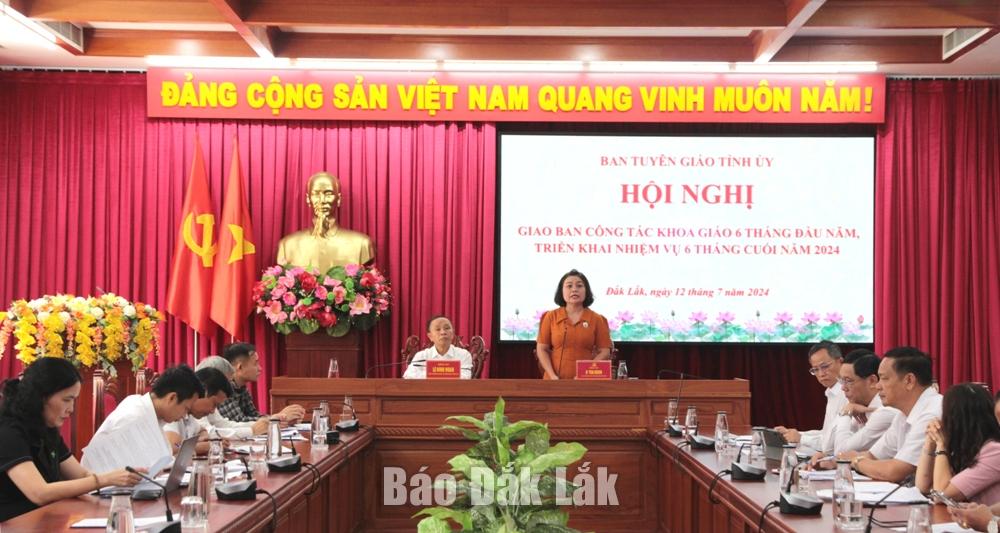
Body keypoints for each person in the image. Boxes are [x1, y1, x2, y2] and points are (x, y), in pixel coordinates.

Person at [0, 358, 142, 522]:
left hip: (46, 519)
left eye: (74, 400)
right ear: (41, 397)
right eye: (67, 400)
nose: (71, 409)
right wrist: (105, 480)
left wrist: (122, 481)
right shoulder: (8, 432)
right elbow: (39, 493)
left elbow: (81, 475)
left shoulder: (47, 428)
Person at [840, 347, 943, 482]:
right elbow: (873, 455)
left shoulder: (931, 413)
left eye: (884, 379)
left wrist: (855, 460)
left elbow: (895, 471)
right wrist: (836, 460)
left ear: (909, 381)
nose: (878, 386)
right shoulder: (902, 414)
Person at [81, 365, 204, 471]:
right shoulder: (133, 416)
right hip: (101, 488)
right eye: (186, 409)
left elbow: (157, 460)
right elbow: (136, 469)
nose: (184, 416)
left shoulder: (151, 412)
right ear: (172, 398)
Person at [915, 383, 1000, 504]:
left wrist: (941, 446)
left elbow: (941, 496)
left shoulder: (995, 451)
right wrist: (930, 441)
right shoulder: (966, 446)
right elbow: (923, 487)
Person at [276, 171, 375, 272]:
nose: (322, 200)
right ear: (308, 199)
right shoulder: (287, 245)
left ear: (338, 199)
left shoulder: (362, 244)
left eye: (328, 194)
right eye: (316, 194)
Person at [535, 269, 612, 380]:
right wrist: (552, 376)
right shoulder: (551, 316)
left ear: (586, 291)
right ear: (561, 291)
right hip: (553, 382)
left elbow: (604, 351)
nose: (574, 289)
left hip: (585, 382)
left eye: (579, 286)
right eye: (569, 286)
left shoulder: (597, 319)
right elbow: (542, 349)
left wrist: (585, 373)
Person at [774, 340, 846, 454]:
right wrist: (792, 434)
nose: (821, 374)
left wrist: (801, 438)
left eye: (825, 366)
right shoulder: (832, 392)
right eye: (815, 369)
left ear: (840, 362)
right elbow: (826, 433)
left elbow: (832, 444)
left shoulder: (847, 392)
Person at [830, 352, 899, 455]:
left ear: (872, 381)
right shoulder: (858, 406)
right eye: (841, 381)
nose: (843, 388)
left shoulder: (885, 411)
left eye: (848, 381)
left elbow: (840, 452)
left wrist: (845, 413)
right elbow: (828, 447)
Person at [217, 343, 305, 423]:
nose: (260, 368)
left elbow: (254, 416)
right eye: (255, 364)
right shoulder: (223, 388)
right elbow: (238, 421)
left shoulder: (242, 388)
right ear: (240, 367)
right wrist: (279, 418)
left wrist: (282, 419)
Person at [162, 367, 234, 455]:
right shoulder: (174, 409)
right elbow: (174, 446)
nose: (212, 411)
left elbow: (202, 430)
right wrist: (210, 446)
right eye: (214, 404)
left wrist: (202, 439)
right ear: (203, 392)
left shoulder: (189, 416)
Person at [194, 356, 267, 437]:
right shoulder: (198, 403)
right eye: (226, 382)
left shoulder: (209, 400)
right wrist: (252, 430)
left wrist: (259, 425)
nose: (229, 386)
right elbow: (210, 433)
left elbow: (221, 424)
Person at [403, 316, 474, 379]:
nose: (443, 332)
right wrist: (446, 373)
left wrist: (431, 373)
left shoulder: (464, 355)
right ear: (430, 336)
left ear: (452, 334)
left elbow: (465, 376)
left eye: (447, 328)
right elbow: (408, 375)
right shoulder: (422, 356)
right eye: (438, 329)